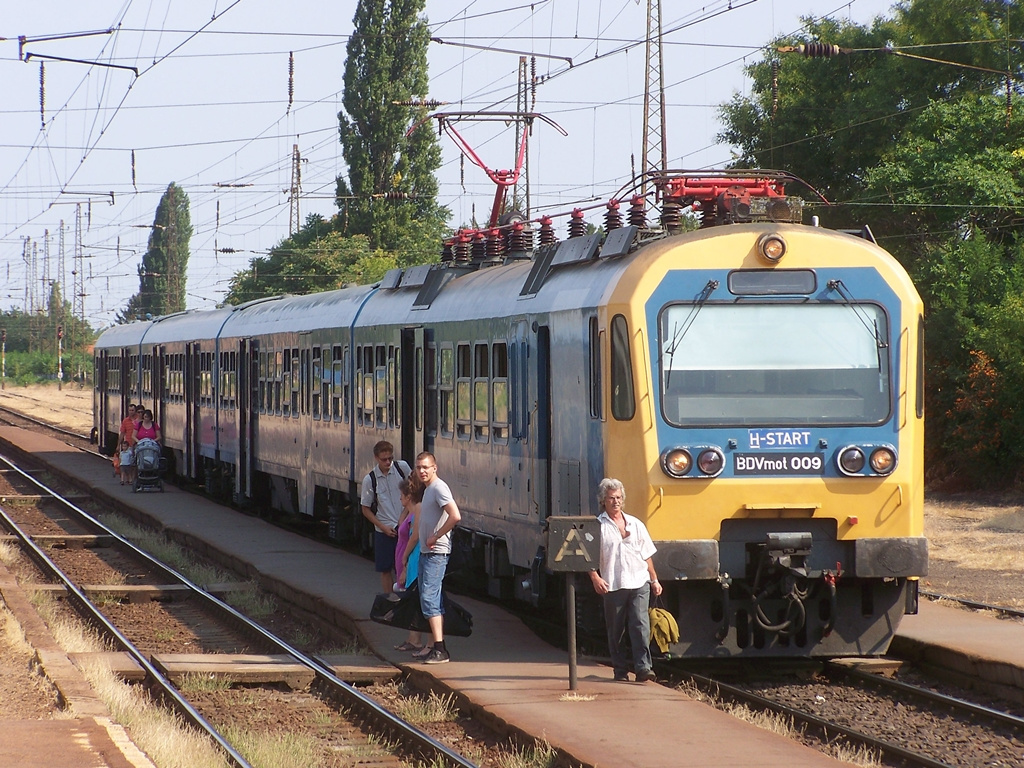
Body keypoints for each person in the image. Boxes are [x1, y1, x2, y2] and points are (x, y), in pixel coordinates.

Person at [588, 477, 662, 683]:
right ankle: (620, 670)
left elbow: (646, 554)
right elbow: (589, 557)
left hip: (639, 581)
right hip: (613, 584)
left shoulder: (636, 524)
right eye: (611, 498)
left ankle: (643, 668)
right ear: (604, 500)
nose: (616, 502)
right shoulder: (597, 526)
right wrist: (595, 578)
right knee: (616, 630)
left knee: (640, 625)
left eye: (619, 498)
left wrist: (654, 580)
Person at [411, 451, 461, 664]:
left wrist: (436, 535)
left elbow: (455, 515)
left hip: (436, 552)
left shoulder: (439, 488)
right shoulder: (429, 489)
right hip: (427, 552)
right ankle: (433, 646)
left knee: (430, 599)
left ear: (435, 468)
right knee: (431, 598)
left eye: (426, 467)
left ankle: (441, 650)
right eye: (419, 467)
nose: (422, 471)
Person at [360, 440, 412, 593]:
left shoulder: (402, 468)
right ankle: (389, 601)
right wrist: (382, 527)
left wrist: (404, 515)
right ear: (376, 458)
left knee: (404, 566)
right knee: (385, 569)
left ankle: (405, 601)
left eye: (390, 458)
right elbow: (365, 509)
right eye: (384, 459)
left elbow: (413, 493)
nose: (388, 462)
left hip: (404, 526)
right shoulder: (370, 480)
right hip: (384, 529)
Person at [392, 477, 424, 653]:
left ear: (409, 496)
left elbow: (414, 538)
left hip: (410, 562)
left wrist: (404, 562)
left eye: (402, 495)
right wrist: (406, 507)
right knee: (410, 599)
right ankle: (412, 639)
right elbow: (399, 525)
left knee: (413, 600)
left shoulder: (415, 515)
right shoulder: (410, 513)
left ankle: (416, 640)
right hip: (406, 562)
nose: (399, 499)